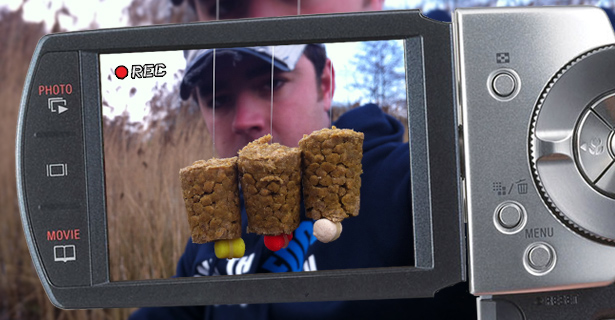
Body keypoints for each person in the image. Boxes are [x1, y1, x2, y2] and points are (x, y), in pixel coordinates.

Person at [130, 1, 476, 319]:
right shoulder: (211, 238)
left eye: (271, 84)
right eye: (218, 100)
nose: (243, 120)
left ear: (325, 85)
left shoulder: (409, 183)